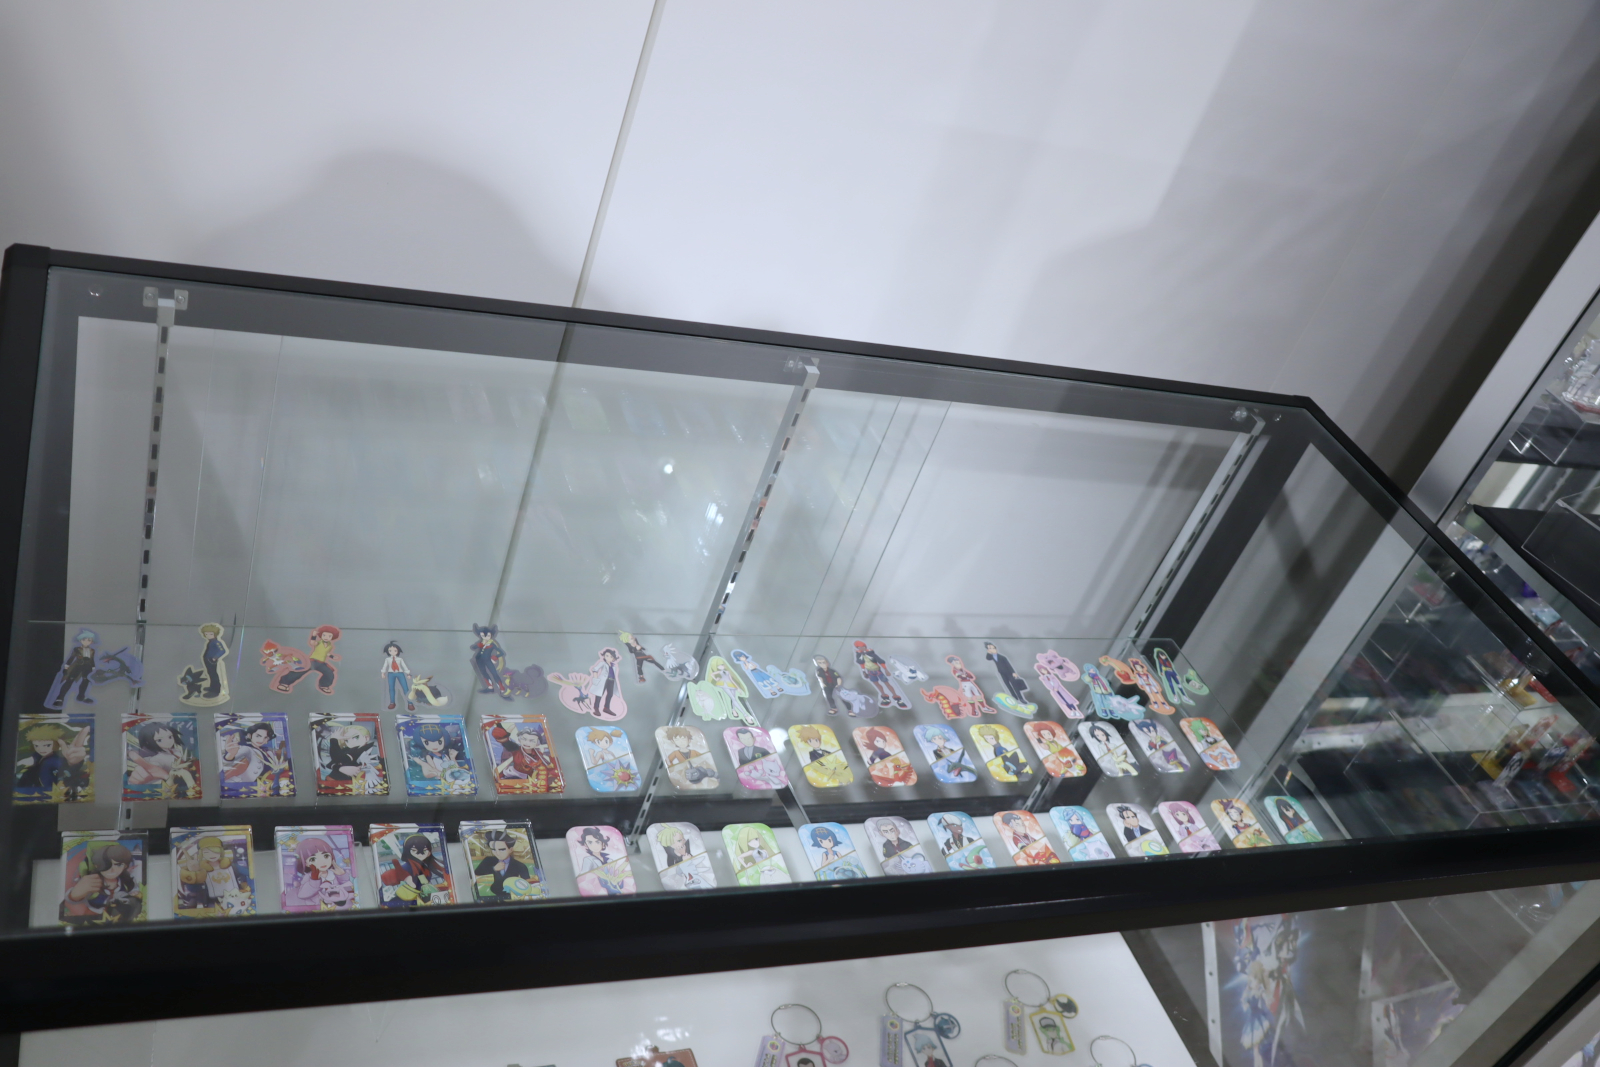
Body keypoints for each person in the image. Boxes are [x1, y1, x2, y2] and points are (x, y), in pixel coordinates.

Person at [63, 841, 141, 924]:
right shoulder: (91, 881)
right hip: (93, 920)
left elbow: (135, 894)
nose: (112, 870)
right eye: (106, 864)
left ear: (125, 866)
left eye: (118, 865)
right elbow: (72, 898)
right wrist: (74, 895)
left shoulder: (127, 881)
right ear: (96, 865)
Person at [127, 719, 198, 797]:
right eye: (159, 740)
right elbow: (153, 767)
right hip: (171, 781)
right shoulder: (158, 758)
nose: (168, 741)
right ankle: (192, 791)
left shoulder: (176, 751)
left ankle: (192, 790)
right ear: (148, 742)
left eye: (170, 737)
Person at [380, 833, 449, 906]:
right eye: (414, 850)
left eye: (425, 850)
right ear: (407, 851)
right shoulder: (407, 867)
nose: (420, 854)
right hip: (408, 899)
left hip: (422, 897)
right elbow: (387, 877)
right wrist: (406, 878)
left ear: (429, 852)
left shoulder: (424, 866)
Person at [292, 835, 355, 910]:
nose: (322, 862)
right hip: (318, 909)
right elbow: (302, 895)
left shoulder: (334, 873)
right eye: (313, 859)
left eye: (326, 856)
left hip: (339, 908)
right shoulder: (309, 877)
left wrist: (343, 877)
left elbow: (349, 892)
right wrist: (314, 880)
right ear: (306, 863)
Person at [274, 626, 340, 693]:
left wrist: (332, 656)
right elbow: (312, 643)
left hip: (321, 663)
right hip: (313, 661)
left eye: (329, 636)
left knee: (329, 673)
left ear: (333, 637)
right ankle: (284, 683)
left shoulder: (330, 646)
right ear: (321, 635)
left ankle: (324, 685)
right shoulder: (319, 643)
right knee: (300, 670)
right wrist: (314, 636)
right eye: (324, 635)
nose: (326, 637)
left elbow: (326, 653)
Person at [473, 829, 533, 901]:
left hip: (513, 896)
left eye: (502, 849)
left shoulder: (520, 866)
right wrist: (494, 869)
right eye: (493, 849)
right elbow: (477, 872)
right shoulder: (489, 860)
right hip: (493, 893)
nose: (497, 853)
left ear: (510, 849)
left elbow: (527, 885)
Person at [48, 629, 100, 707]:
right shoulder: (77, 649)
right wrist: (66, 668)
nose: (86, 642)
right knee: (69, 681)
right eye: (84, 640)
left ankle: (81, 696)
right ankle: (60, 698)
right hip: (77, 666)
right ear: (81, 640)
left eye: (89, 640)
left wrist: (93, 669)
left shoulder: (92, 650)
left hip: (87, 668)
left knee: (85, 681)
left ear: (91, 641)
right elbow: (71, 658)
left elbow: (92, 660)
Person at [854, 641, 908, 709]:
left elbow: (880, 661)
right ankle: (884, 696)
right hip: (870, 672)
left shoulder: (871, 654)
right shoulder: (860, 655)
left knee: (887, 683)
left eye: (862, 647)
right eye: (859, 647)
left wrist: (886, 670)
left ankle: (896, 697)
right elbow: (861, 664)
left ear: (865, 647)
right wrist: (864, 671)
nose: (861, 648)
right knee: (877, 684)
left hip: (878, 671)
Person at [470, 623, 512, 699]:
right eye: (483, 636)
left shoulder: (492, 644)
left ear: (491, 636)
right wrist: (480, 645)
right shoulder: (481, 643)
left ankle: (502, 688)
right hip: (479, 660)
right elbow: (473, 647)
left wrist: (495, 657)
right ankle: (490, 687)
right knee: (484, 673)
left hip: (488, 660)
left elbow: (502, 652)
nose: (486, 637)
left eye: (488, 636)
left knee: (494, 673)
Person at [984, 641, 1031, 706]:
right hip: (1002, 673)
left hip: (1009, 672)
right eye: (990, 648)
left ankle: (1021, 698)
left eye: (993, 648)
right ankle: (1014, 697)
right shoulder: (992, 656)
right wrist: (988, 652)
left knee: (1014, 685)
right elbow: (988, 658)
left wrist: (1013, 672)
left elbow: (1009, 665)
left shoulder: (1002, 657)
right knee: (1007, 685)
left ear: (996, 649)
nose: (992, 649)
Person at [379, 641, 414, 711]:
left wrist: (408, 673)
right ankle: (392, 702)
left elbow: (404, 666)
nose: (393, 652)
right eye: (390, 651)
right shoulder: (387, 659)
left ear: (398, 651)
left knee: (405, 688)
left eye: (395, 650)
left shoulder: (400, 659)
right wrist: (383, 673)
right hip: (391, 674)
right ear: (388, 651)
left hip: (400, 673)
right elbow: (385, 666)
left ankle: (410, 703)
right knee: (391, 688)